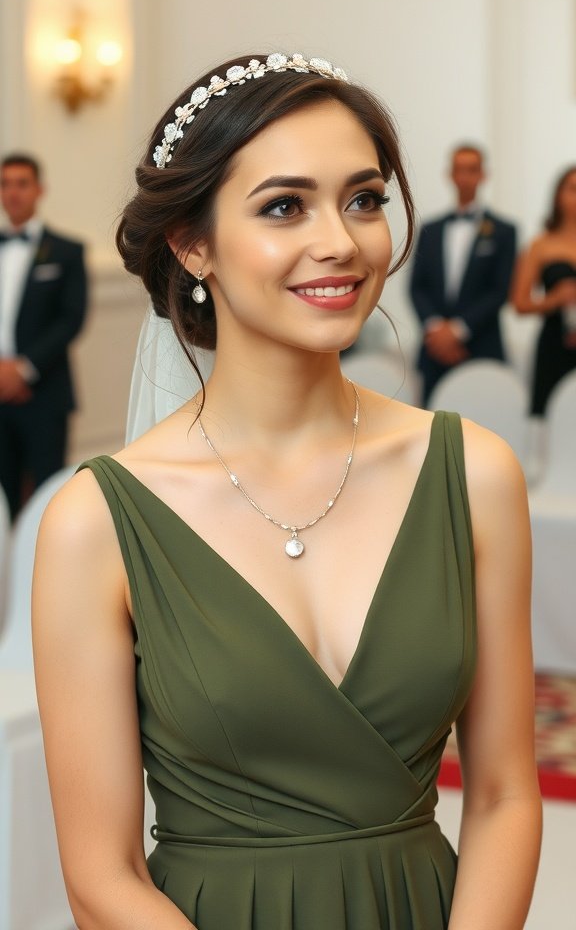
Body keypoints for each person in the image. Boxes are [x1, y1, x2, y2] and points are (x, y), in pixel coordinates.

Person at [33, 53, 541, 930]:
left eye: (364, 199)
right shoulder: (97, 524)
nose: (341, 241)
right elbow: (98, 874)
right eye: (283, 206)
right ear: (192, 244)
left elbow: (503, 795)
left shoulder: (474, 474)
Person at [0, 152, 88, 519]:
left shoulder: (66, 251)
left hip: (44, 392)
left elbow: (71, 319)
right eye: (5, 184)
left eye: (22, 183)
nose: (13, 192)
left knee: (47, 497)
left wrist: (22, 370)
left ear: (39, 189)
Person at [409, 145, 517, 404]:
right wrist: (437, 330)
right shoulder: (431, 230)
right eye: (459, 169)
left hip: (481, 346)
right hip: (434, 351)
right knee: (431, 421)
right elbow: (417, 286)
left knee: (484, 417)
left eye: (472, 170)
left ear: (483, 175)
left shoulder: (503, 231)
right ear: (450, 174)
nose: (465, 177)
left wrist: (457, 331)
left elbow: (500, 291)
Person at [511, 165, 576, 414]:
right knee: (551, 414)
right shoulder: (541, 245)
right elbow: (519, 303)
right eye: (573, 189)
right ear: (558, 195)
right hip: (554, 345)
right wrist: (554, 299)